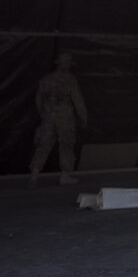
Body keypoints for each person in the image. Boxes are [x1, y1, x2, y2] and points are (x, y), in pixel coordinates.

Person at [28, 52, 88, 187]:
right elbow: (78, 101)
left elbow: (39, 100)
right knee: (66, 146)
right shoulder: (70, 79)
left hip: (48, 118)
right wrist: (83, 118)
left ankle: (34, 175)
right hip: (65, 119)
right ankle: (65, 176)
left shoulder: (45, 79)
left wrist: (44, 114)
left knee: (43, 146)